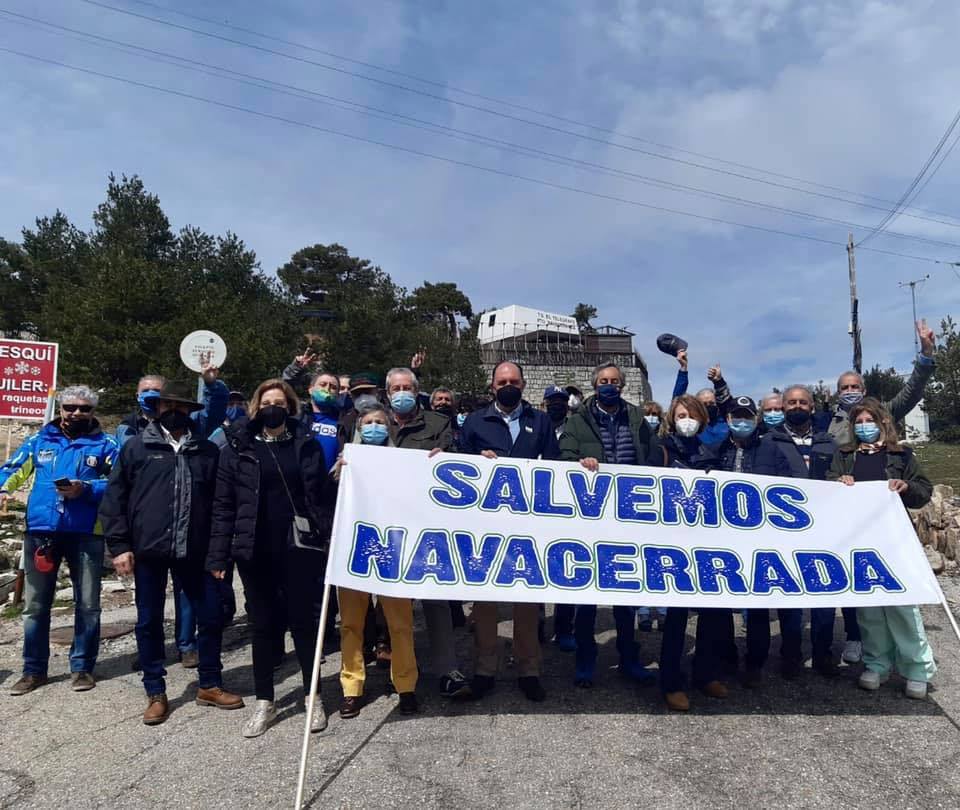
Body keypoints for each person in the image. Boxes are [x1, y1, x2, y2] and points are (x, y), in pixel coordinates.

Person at [99, 381, 243, 725]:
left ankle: (209, 683)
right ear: (157, 409)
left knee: (210, 616)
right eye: (168, 407)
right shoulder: (136, 447)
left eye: (182, 407)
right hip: (149, 550)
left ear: (192, 411)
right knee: (149, 622)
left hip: (196, 550)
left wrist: (220, 552)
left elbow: (222, 506)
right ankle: (156, 692)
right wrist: (119, 546)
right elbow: (115, 500)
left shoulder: (207, 451)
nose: (175, 413)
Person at [207, 379, 331, 737]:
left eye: (279, 402)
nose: (271, 409)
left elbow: (319, 497)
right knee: (262, 626)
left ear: (290, 407)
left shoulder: (305, 445)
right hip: (254, 548)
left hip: (300, 548)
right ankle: (266, 700)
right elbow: (223, 505)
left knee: (304, 625)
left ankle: (313, 696)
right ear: (255, 408)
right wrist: (218, 556)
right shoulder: (237, 447)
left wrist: (328, 539)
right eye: (265, 403)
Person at [2, 386, 118, 696]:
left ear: (93, 411)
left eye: (84, 408)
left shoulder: (107, 444)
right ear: (61, 408)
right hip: (41, 532)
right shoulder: (39, 440)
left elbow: (120, 484)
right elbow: (13, 469)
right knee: (35, 606)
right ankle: (33, 670)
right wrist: (3, 489)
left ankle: (82, 668)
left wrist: (87, 489)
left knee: (89, 604)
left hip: (86, 534)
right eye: (70, 407)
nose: (76, 413)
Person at [457, 361, 560, 702]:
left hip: (527, 527)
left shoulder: (539, 421)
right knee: (485, 604)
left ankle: (529, 669)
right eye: (502, 381)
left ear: (524, 384)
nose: (508, 385)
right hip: (485, 528)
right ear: (492, 386)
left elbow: (555, 467)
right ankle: (485, 669)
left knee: (527, 602)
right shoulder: (475, 421)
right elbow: (458, 467)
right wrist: (476, 461)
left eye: (513, 381)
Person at [827, 398, 936, 699]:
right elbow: (827, 489)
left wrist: (906, 487)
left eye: (869, 421)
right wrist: (839, 482)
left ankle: (916, 668)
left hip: (895, 541)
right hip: (861, 542)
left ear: (883, 422)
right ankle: (877, 664)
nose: (864, 427)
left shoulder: (902, 455)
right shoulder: (844, 455)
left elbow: (923, 491)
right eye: (859, 422)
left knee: (902, 607)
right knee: (869, 609)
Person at [558, 362, 656, 687]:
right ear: (594, 385)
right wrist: (578, 463)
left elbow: (654, 460)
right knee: (587, 598)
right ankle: (586, 661)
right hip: (590, 520)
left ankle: (630, 658)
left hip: (629, 519)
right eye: (603, 381)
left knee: (626, 596)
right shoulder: (577, 421)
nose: (609, 385)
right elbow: (563, 459)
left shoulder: (638, 419)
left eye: (614, 381)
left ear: (623, 385)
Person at [332, 404, 420, 717]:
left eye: (379, 422)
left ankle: (406, 685)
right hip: (353, 550)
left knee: (400, 624)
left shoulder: (403, 462)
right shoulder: (346, 460)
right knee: (352, 624)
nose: (373, 427)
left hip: (393, 550)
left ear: (389, 428)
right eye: (367, 422)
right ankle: (352, 687)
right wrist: (340, 472)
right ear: (358, 428)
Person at [383, 368, 466, 697]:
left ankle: (448, 670)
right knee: (391, 602)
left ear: (416, 392)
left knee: (436, 600)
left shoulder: (437, 423)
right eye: (395, 388)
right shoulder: (373, 422)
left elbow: (456, 460)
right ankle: (399, 672)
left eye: (407, 387)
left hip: (427, 523)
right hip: (385, 522)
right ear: (387, 392)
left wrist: (447, 458)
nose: (401, 392)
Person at [649, 395, 726, 711]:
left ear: (702, 419)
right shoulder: (662, 451)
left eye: (692, 414)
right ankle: (671, 682)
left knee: (714, 614)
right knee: (677, 617)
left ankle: (705, 674)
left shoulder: (714, 451)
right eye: (681, 415)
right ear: (672, 418)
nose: (687, 420)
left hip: (709, 542)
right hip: (675, 541)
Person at [761, 384, 840, 677]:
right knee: (790, 597)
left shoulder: (828, 443)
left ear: (812, 407)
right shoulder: (769, 441)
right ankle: (790, 656)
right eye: (791, 402)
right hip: (785, 535)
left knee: (825, 597)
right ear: (783, 407)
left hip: (824, 534)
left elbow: (838, 479)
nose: (797, 407)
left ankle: (823, 655)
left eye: (802, 402)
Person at [716, 397, 791, 687]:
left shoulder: (771, 450)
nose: (742, 422)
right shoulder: (717, 448)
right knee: (721, 605)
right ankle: (727, 657)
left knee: (758, 606)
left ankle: (755, 663)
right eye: (737, 416)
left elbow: (789, 488)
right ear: (729, 420)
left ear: (756, 420)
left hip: (760, 541)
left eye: (748, 416)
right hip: (722, 539)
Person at [827, 320, 936, 447]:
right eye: (845, 388)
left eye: (855, 387)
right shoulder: (827, 420)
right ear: (839, 393)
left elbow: (911, 392)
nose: (850, 390)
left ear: (864, 391)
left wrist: (926, 355)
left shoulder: (883, 411)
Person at [670, 349, 732, 448]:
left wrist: (719, 381)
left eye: (711, 403)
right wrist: (683, 368)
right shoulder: (694, 426)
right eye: (704, 404)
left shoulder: (726, 420)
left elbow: (726, 401)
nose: (708, 407)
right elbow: (678, 400)